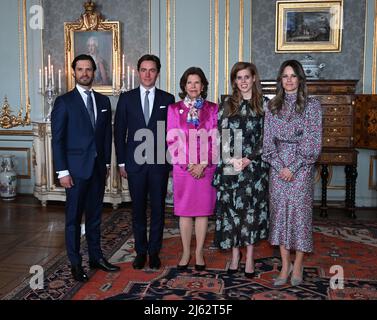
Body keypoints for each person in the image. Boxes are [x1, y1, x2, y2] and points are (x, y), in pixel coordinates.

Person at [51, 54, 120, 282]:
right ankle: (75, 263)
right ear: (73, 72)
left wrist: (107, 164)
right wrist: (62, 172)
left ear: (94, 72)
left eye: (88, 69)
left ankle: (96, 258)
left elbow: (106, 135)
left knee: (95, 218)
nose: (85, 73)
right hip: (74, 172)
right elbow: (57, 140)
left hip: (98, 170)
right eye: (80, 69)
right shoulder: (64, 102)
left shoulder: (103, 102)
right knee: (73, 219)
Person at [262, 60, 322, 286]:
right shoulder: (272, 107)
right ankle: (285, 265)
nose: (288, 80)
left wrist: (294, 167)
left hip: (301, 169)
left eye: (293, 76)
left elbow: (313, 144)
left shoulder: (312, 106)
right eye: (285, 76)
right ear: (280, 80)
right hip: (277, 169)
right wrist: (280, 167)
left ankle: (298, 265)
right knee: (279, 216)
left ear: (300, 79)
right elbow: (267, 144)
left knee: (299, 216)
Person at [114, 54, 175, 270]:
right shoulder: (126, 98)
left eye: (152, 70)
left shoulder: (167, 99)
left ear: (158, 73)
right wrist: (121, 163)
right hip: (134, 164)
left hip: (159, 164)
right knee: (137, 209)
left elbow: (172, 134)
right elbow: (119, 132)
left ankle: (154, 252)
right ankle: (140, 252)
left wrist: (169, 162)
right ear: (138, 72)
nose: (147, 74)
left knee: (158, 209)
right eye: (143, 70)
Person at [213, 62, 269, 278]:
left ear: (254, 78)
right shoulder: (227, 104)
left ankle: (250, 257)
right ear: (234, 81)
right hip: (230, 165)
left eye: (247, 77)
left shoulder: (264, 105)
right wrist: (233, 159)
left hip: (254, 168)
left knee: (250, 214)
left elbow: (268, 137)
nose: (243, 81)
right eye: (239, 78)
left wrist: (248, 158)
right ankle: (235, 255)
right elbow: (221, 133)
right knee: (231, 212)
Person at [166, 67, 218, 271]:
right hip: (183, 168)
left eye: (197, 82)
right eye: (189, 82)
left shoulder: (213, 109)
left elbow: (215, 137)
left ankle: (199, 253)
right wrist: (189, 165)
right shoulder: (173, 109)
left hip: (206, 168)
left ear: (203, 85)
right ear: (184, 86)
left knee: (202, 212)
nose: (193, 86)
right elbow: (172, 139)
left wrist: (202, 164)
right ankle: (186, 251)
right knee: (185, 212)